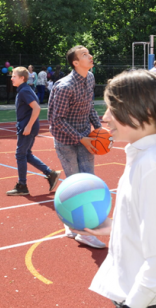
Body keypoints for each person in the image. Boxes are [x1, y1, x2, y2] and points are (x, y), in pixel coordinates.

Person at [86, 69, 156, 308]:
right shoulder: (146, 157)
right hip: (139, 292)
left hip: (144, 298)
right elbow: (149, 224)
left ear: (145, 110)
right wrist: (114, 227)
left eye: (112, 108)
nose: (105, 117)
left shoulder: (151, 166)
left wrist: (134, 303)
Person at [48, 45, 105, 248]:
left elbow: (89, 106)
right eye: (84, 55)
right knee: (74, 183)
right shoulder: (64, 87)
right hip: (66, 140)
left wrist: (100, 129)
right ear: (75, 63)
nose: (90, 56)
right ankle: (78, 229)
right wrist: (82, 138)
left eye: (89, 53)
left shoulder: (90, 78)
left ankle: (81, 225)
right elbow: (57, 120)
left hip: (85, 136)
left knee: (89, 182)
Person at [6, 66, 60, 196]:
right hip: (26, 126)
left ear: (22, 78)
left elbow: (36, 108)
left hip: (27, 127)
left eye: (14, 76)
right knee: (26, 154)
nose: (12, 78)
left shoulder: (25, 90)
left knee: (20, 154)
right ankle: (50, 173)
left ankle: (22, 185)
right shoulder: (24, 90)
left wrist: (29, 126)